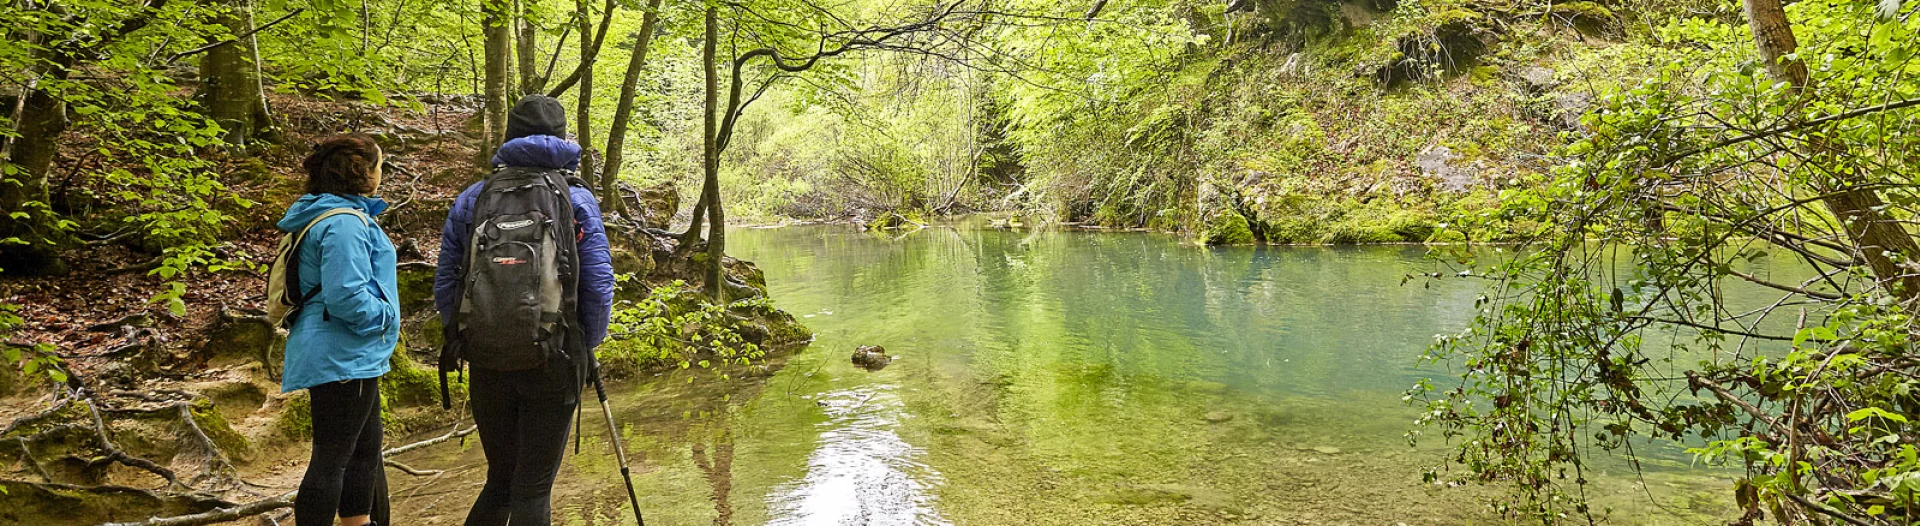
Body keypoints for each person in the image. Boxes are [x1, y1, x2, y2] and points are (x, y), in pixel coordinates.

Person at [435, 95, 616, 526]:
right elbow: (598, 283)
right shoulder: (575, 198)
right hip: (554, 358)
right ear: (562, 138)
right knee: (532, 486)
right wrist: (587, 344)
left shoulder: (474, 198)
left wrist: (461, 337)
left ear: (510, 136)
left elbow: (447, 281)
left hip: (487, 357)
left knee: (500, 479)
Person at [278, 134, 400, 526]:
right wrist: (384, 317)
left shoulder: (334, 215)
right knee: (331, 459)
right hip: (343, 352)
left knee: (363, 453)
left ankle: (358, 522)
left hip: (351, 353)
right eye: (379, 165)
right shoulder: (344, 223)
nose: (382, 173)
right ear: (361, 172)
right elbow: (345, 294)